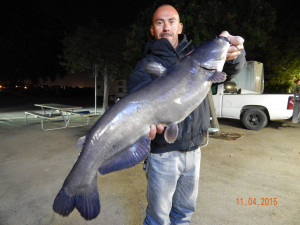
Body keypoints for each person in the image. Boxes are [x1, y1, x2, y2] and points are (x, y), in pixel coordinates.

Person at [128, 4, 246, 225]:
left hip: (194, 151)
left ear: (179, 27)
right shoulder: (145, 65)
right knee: (158, 219)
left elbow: (231, 68)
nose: (166, 27)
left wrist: (234, 54)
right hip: (163, 156)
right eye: (159, 22)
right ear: (152, 30)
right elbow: (136, 98)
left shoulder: (198, 54)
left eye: (171, 21)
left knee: (184, 215)